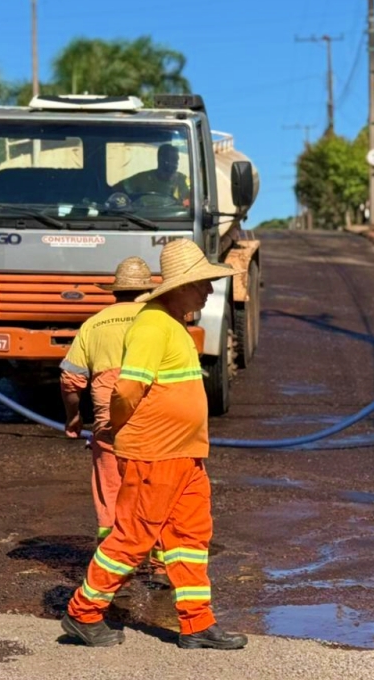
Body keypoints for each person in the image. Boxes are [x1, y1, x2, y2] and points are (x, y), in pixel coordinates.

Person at [61, 239, 247, 650]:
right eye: (202, 284)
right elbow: (127, 390)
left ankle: (197, 624)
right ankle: (83, 612)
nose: (209, 291)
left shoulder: (172, 325)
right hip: (156, 454)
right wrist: (122, 430)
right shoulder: (152, 325)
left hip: (184, 455)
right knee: (133, 537)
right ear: (181, 287)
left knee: (190, 539)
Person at [59, 257, 168, 588]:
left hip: (110, 428)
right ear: (147, 290)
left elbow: (70, 380)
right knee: (157, 492)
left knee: (111, 496)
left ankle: (115, 571)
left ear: (115, 291)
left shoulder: (94, 325)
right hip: (156, 428)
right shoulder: (162, 321)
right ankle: (160, 567)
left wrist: (74, 418)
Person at [121, 143, 191, 208]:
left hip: (174, 216)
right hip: (142, 215)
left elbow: (190, 203)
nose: (175, 164)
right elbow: (119, 189)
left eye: (176, 160)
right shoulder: (142, 178)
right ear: (160, 159)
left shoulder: (182, 180)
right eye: (171, 160)